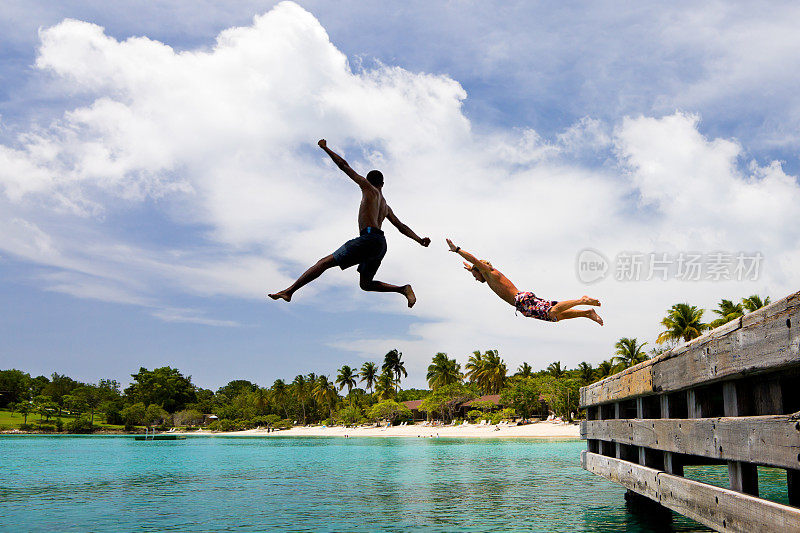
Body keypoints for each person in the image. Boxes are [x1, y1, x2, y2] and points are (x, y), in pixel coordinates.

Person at [269, 140, 430, 307]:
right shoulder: (386, 206)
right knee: (365, 284)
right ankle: (403, 289)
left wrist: (326, 148)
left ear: (368, 181)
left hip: (368, 239)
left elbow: (344, 166)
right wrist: (419, 240)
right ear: (383, 184)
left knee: (323, 263)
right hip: (381, 245)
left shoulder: (368, 189)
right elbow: (400, 226)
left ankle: (289, 291)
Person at [445, 238, 603, 325]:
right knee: (555, 317)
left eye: (475, 275)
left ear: (480, 270)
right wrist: (470, 269)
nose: (475, 279)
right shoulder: (484, 274)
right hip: (522, 306)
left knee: (553, 311)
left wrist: (457, 250)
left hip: (521, 299)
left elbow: (473, 259)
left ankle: (582, 300)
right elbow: (473, 265)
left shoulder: (490, 273)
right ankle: (587, 313)